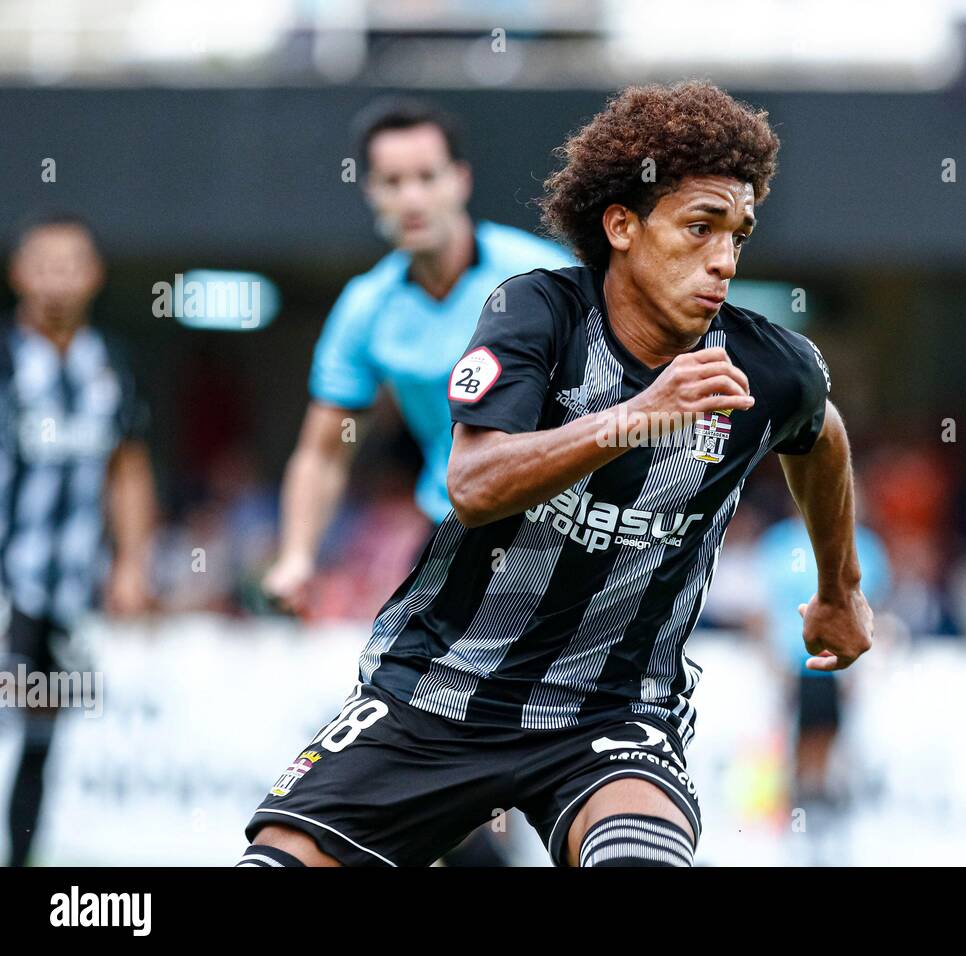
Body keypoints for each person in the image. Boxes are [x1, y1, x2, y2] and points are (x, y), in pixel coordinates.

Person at [239, 81, 873, 868]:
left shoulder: (769, 366)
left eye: (738, 234)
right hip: (442, 685)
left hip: (612, 712)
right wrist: (636, 417)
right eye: (700, 228)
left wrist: (840, 590)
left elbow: (821, 434)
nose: (724, 260)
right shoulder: (531, 308)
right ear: (621, 227)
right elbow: (469, 486)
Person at [261, 98, 572, 615]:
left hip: (568, 528)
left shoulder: (545, 277)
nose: (412, 198)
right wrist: (296, 557)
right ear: (370, 192)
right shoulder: (365, 307)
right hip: (454, 528)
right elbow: (323, 451)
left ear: (461, 180)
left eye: (427, 177)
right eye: (392, 181)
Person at [0, 213, 156, 866]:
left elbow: (128, 466)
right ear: (17, 274)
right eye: (44, 264)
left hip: (66, 594)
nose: (57, 280)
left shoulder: (108, 363)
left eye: (71, 265)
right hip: (6, 585)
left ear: (94, 276)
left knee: (42, 739)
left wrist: (131, 565)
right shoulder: (7, 361)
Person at [754, 507, 889, 864]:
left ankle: (816, 827)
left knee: (827, 747)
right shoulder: (780, 543)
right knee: (791, 747)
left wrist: (861, 665)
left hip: (833, 667)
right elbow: (762, 606)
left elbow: (872, 609)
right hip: (793, 663)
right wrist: (769, 657)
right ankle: (796, 826)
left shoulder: (862, 543)